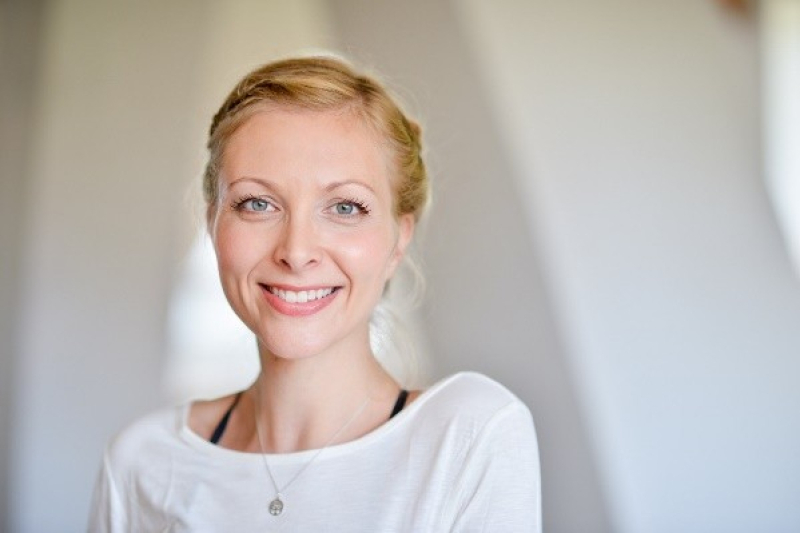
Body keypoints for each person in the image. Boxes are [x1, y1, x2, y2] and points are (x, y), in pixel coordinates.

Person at [89, 55, 541, 532]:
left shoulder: (467, 436)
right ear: (213, 222)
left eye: (345, 207)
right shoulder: (142, 464)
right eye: (257, 203)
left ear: (399, 238)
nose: (296, 251)